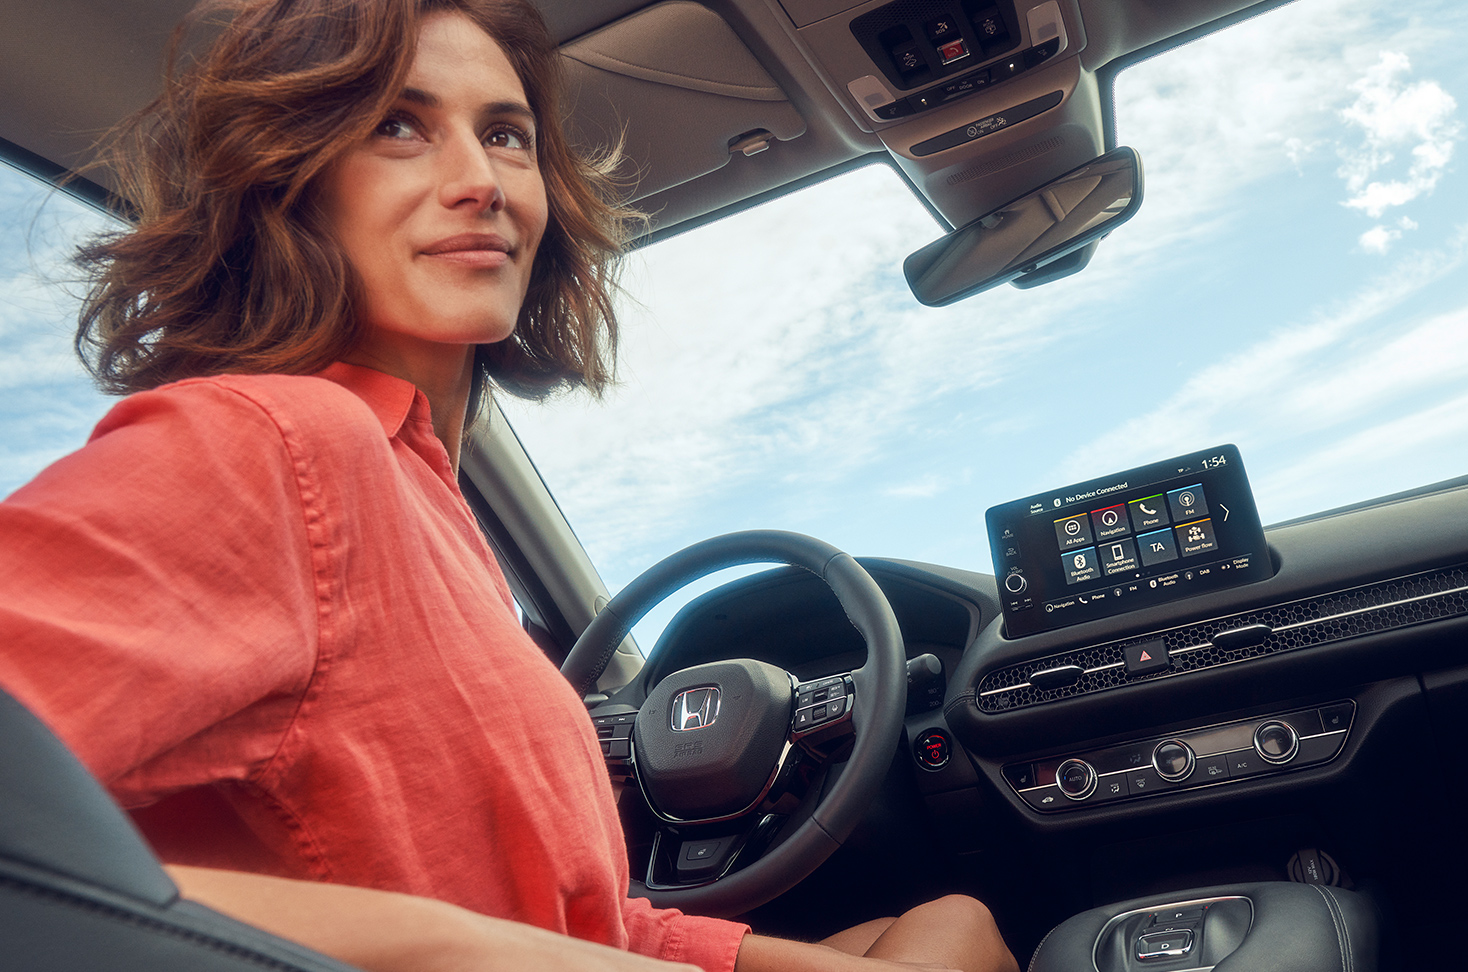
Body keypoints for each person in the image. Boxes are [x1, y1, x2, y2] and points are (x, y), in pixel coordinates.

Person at [0, 2, 1019, 972]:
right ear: (291, 181)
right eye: (399, 127)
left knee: (950, 922)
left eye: (505, 136)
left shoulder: (428, 508)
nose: (480, 180)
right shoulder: (274, 443)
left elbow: (572, 920)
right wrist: (451, 948)